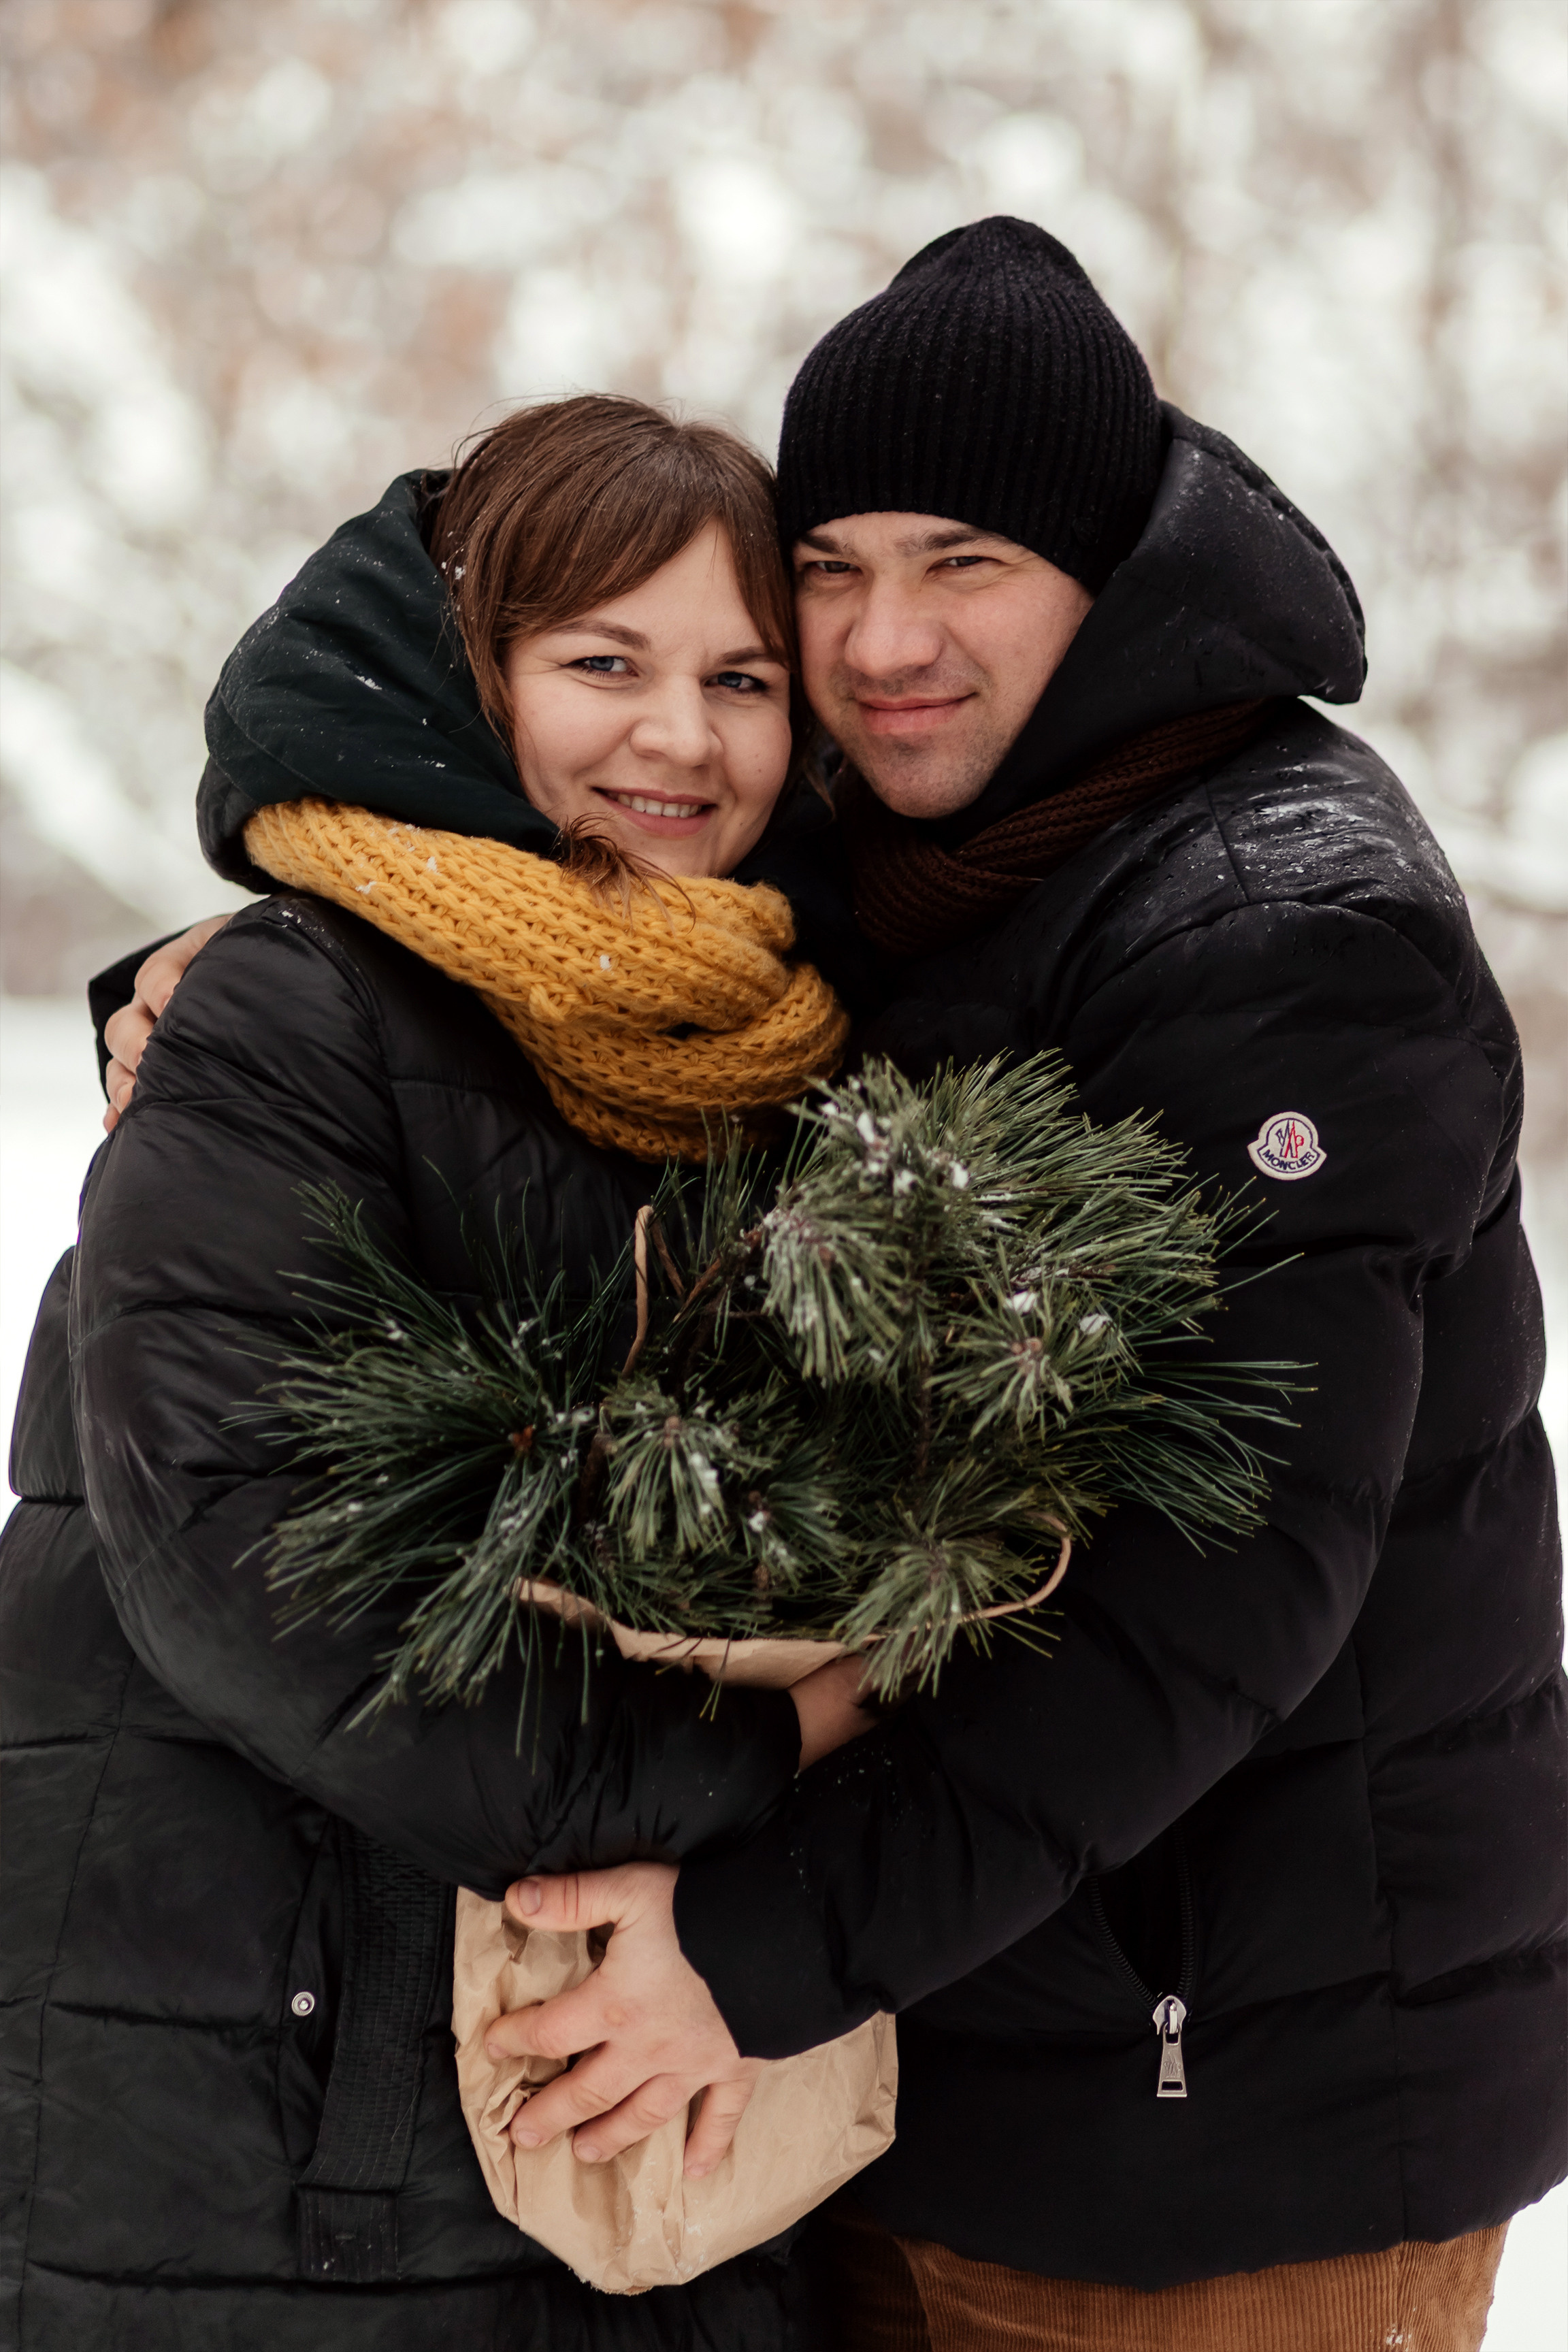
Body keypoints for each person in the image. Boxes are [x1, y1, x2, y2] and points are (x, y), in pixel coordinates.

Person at [82, 220, 1565, 2349]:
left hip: (1221, 2125)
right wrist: (239, 976)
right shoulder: (907, 873)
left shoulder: (1283, 926)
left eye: (961, 561)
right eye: (835, 570)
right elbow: (541, 943)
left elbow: (1218, 1579)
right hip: (903, 2076)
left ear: (1109, 575)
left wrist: (761, 1940)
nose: (880, 642)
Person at [0, 395, 875, 2352]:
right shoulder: (286, 1009)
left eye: (741, 677)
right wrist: (756, 1768)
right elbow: (257, 1566)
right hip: (251, 2108)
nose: (683, 737)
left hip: (605, 2110)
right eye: (604, 663)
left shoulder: (778, 1053)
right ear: (467, 674)